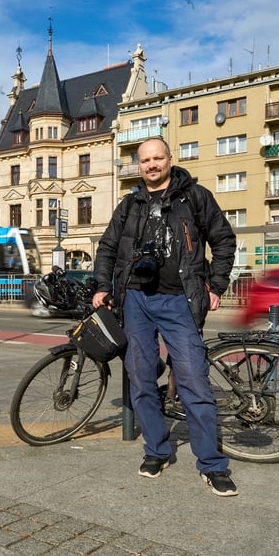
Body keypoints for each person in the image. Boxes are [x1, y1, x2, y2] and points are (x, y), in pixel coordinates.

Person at [92, 137, 238, 496]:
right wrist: (100, 285)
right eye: (145, 160)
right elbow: (108, 247)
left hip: (179, 301)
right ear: (139, 165)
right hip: (135, 301)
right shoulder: (130, 204)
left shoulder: (196, 198)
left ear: (170, 160)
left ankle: (211, 464)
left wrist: (216, 286)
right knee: (141, 378)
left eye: (158, 158)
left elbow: (223, 240)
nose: (152, 165)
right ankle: (157, 450)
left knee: (194, 382)